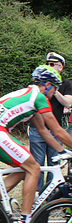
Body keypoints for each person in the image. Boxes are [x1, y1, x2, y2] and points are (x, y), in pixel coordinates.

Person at [0, 65, 72, 223]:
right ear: (48, 84)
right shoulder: (40, 97)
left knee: (24, 169)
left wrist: (62, 150)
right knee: (34, 167)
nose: (54, 93)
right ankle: (25, 221)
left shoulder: (30, 95)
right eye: (55, 88)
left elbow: (44, 131)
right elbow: (57, 130)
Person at [29, 52, 72, 190]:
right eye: (48, 64)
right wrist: (49, 87)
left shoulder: (65, 84)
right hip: (38, 129)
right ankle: (36, 196)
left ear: (61, 67)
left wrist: (55, 88)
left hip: (53, 128)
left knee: (54, 166)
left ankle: (50, 197)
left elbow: (68, 103)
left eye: (53, 64)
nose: (50, 66)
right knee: (37, 165)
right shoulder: (39, 89)